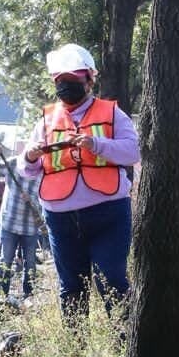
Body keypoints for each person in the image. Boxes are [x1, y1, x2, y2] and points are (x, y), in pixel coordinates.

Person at [21, 44, 140, 317]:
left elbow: (132, 152)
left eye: (73, 81)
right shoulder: (46, 120)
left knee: (111, 280)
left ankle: (126, 344)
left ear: (89, 80)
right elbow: (27, 169)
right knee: (71, 287)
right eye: (61, 82)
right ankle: (75, 354)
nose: (66, 87)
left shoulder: (112, 114)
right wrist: (30, 155)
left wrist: (96, 144)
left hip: (107, 214)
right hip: (60, 218)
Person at [0, 155, 43, 300]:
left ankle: (28, 295)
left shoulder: (44, 171)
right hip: (10, 223)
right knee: (6, 260)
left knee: (30, 263)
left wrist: (33, 202)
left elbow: (47, 199)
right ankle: (2, 295)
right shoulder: (13, 163)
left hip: (30, 227)